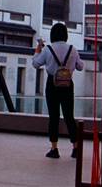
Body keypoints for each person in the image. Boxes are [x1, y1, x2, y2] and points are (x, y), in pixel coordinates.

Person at [32, 22, 83, 159]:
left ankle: (54, 149)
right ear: (65, 34)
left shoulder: (48, 49)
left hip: (52, 85)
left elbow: (35, 64)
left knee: (53, 117)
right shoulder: (73, 49)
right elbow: (80, 66)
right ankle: (76, 147)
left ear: (52, 34)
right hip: (68, 85)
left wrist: (38, 49)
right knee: (69, 116)